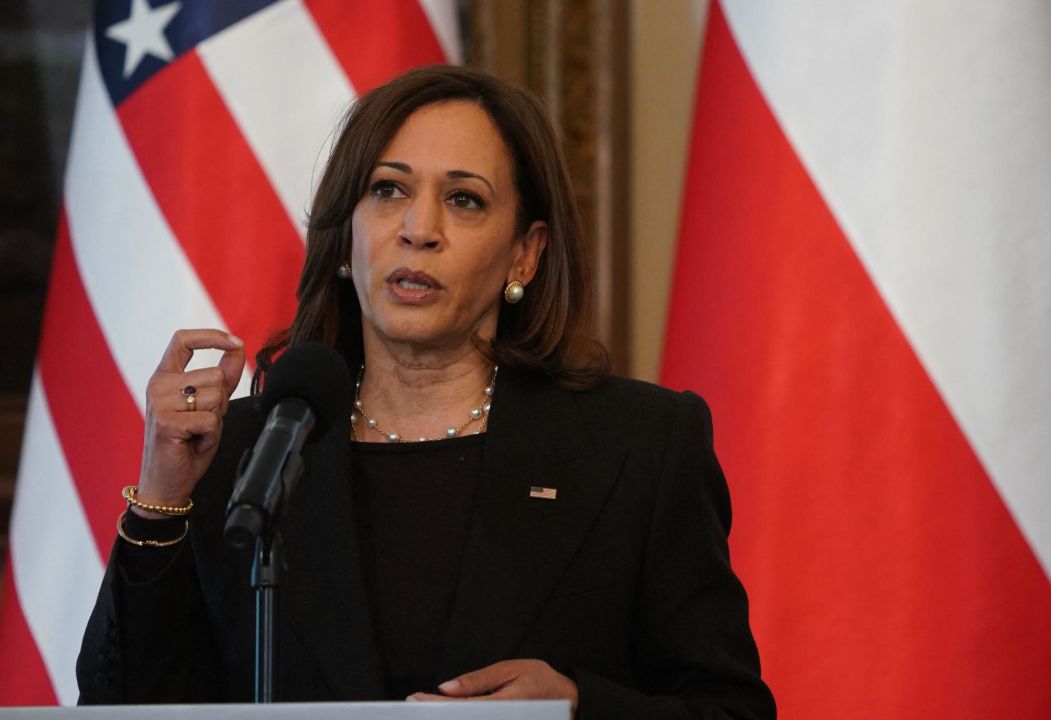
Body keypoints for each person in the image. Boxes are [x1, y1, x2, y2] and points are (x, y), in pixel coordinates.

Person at [76, 65, 774, 719]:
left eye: (465, 200)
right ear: (345, 237)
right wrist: (163, 494)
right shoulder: (244, 455)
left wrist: (576, 708)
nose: (419, 230)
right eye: (388, 190)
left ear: (524, 254)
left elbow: (731, 708)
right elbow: (125, 705)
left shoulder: (639, 447)